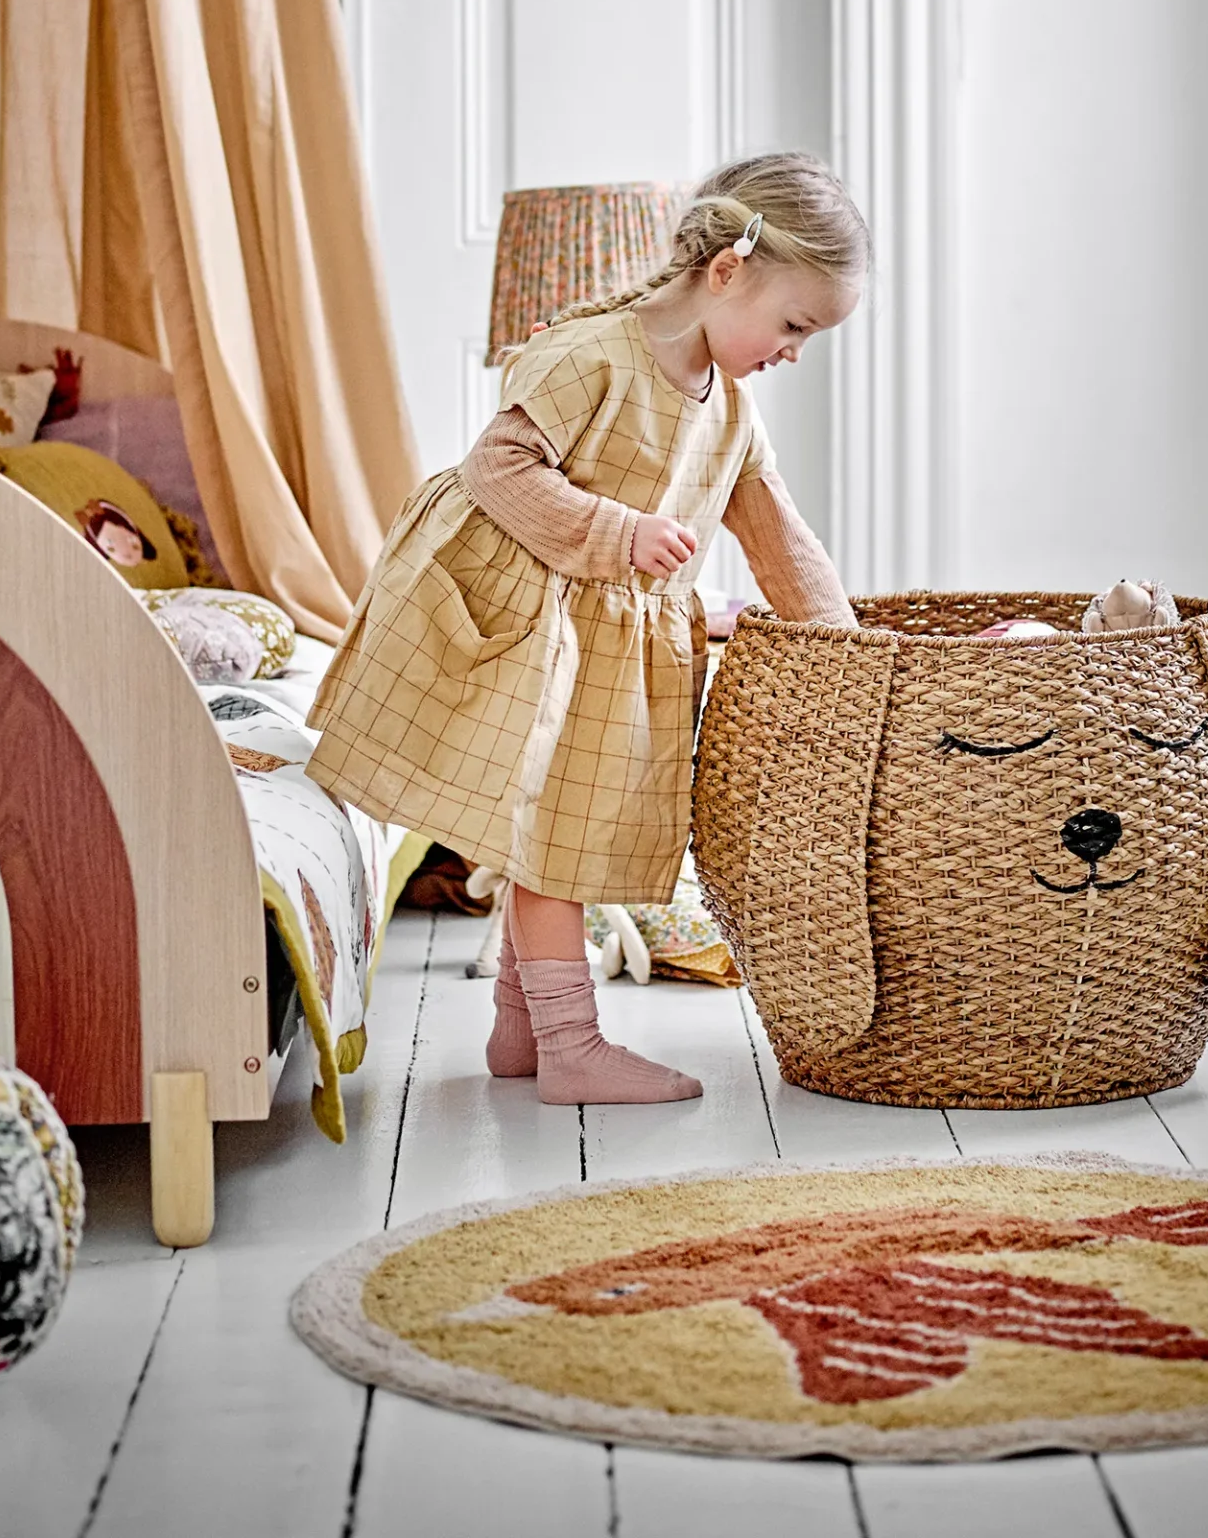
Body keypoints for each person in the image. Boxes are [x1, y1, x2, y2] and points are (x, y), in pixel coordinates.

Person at [307, 151, 866, 1104]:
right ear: (725, 272)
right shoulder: (594, 355)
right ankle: (571, 1046)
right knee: (551, 839)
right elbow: (498, 467)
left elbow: (779, 536)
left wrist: (858, 648)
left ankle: (522, 1030)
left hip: (603, 644)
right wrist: (620, 533)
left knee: (566, 828)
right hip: (525, 619)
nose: (793, 353)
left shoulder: (731, 411)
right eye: (793, 325)